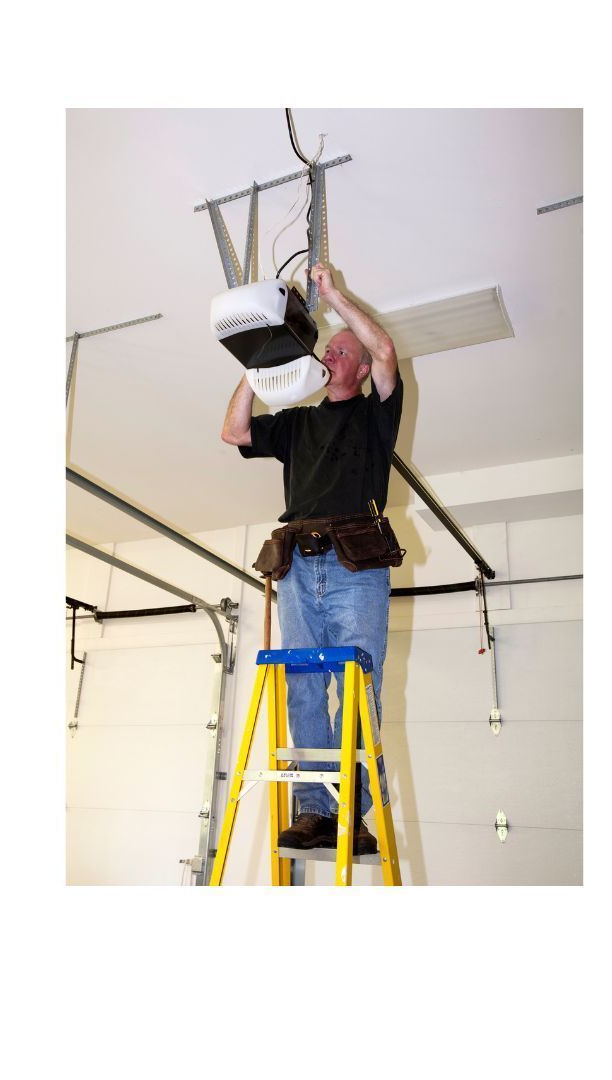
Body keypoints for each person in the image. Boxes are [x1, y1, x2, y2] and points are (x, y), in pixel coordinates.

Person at [220, 263, 401, 855]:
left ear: (363, 369)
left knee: (356, 682)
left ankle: (352, 811)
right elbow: (234, 432)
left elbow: (386, 350)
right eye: (329, 348)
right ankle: (314, 810)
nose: (331, 354)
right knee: (301, 683)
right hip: (297, 563)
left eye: (343, 351)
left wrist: (333, 296)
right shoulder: (298, 424)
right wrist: (258, 365)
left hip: (356, 564)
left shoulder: (375, 415)